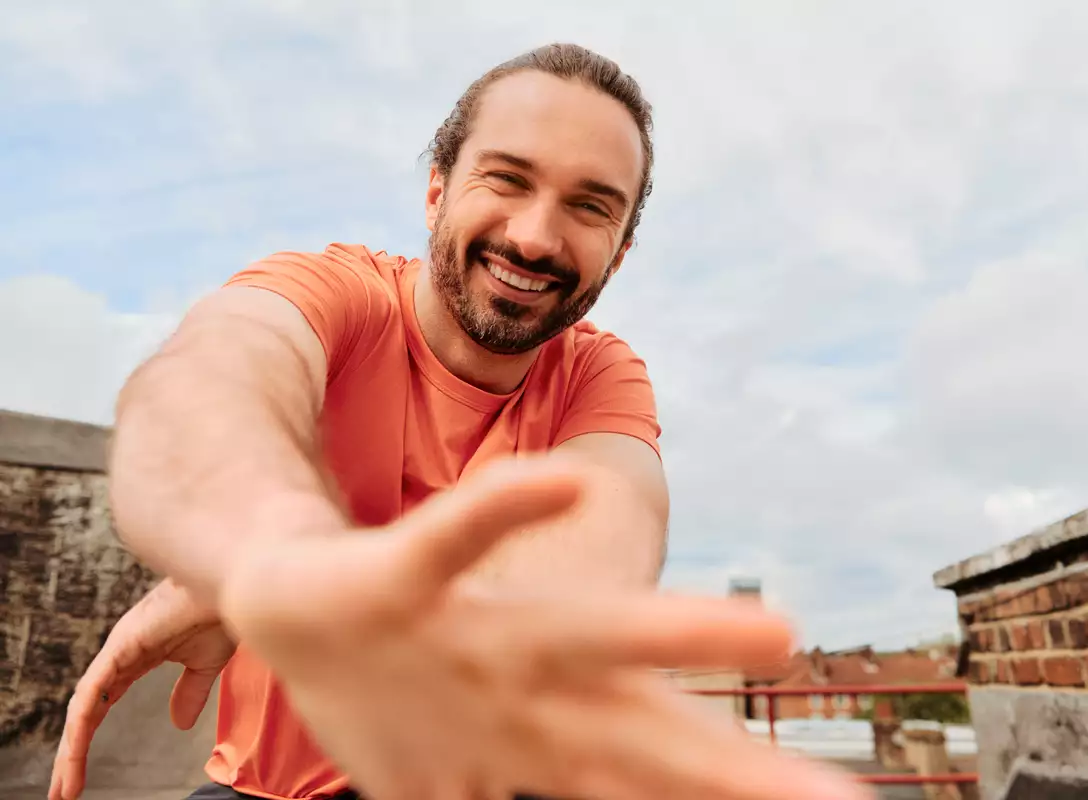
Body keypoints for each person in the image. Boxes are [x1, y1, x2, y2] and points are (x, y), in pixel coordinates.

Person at [48, 44, 872, 800]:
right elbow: (213, 380)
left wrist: (394, 614)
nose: (535, 236)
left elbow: (610, 525)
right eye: (507, 179)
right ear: (438, 186)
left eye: (590, 207)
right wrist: (269, 553)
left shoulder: (599, 372)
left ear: (619, 250)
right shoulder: (337, 295)